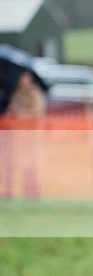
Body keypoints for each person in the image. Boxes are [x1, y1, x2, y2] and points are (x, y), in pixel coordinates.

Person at [1, 70, 46, 198]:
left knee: (30, 167)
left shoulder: (35, 94)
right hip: (16, 137)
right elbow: (10, 111)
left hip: (30, 137)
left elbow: (36, 113)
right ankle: (10, 192)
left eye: (26, 78)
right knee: (12, 165)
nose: (24, 81)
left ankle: (32, 193)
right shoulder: (16, 93)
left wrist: (18, 117)